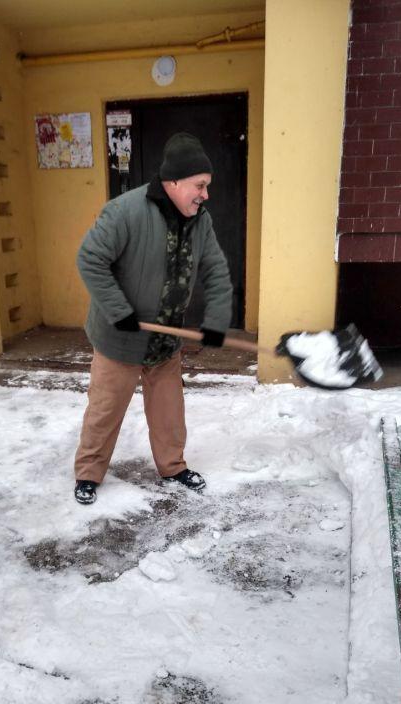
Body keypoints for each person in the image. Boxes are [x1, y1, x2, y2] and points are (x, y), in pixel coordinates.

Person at [73, 132, 233, 505]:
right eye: (201, 185)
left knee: (169, 414)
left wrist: (216, 320)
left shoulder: (200, 222)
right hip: (121, 337)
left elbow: (216, 271)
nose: (205, 195)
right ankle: (88, 473)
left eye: (206, 187)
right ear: (174, 182)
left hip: (165, 339)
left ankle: (173, 466)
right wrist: (119, 311)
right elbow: (90, 260)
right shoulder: (124, 212)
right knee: (105, 410)